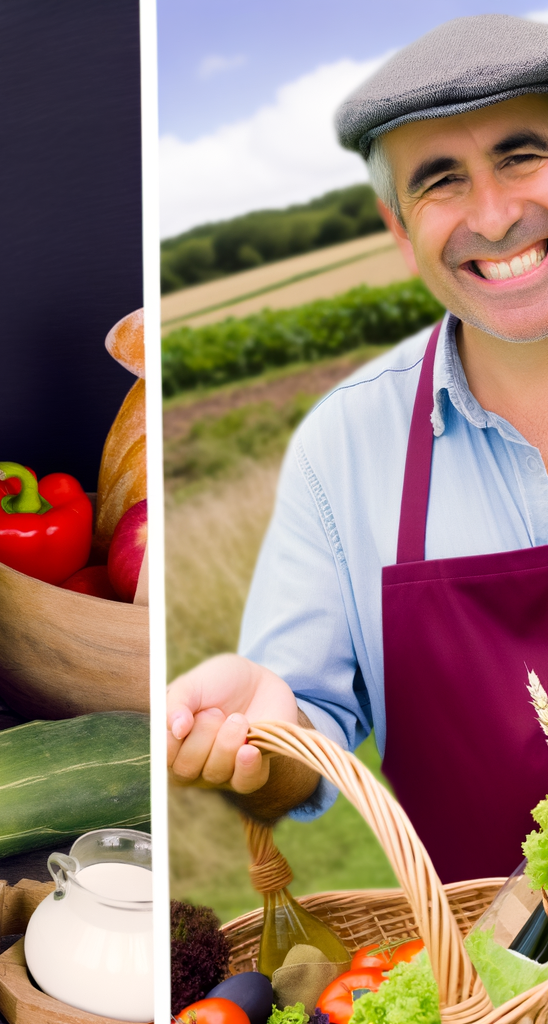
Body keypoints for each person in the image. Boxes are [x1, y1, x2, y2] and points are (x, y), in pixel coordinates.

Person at [166, 14, 548, 883]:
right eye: (441, 181)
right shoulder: (346, 448)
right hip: (487, 996)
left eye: (522, 156)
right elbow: (300, 751)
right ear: (396, 225)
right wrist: (265, 741)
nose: (493, 214)